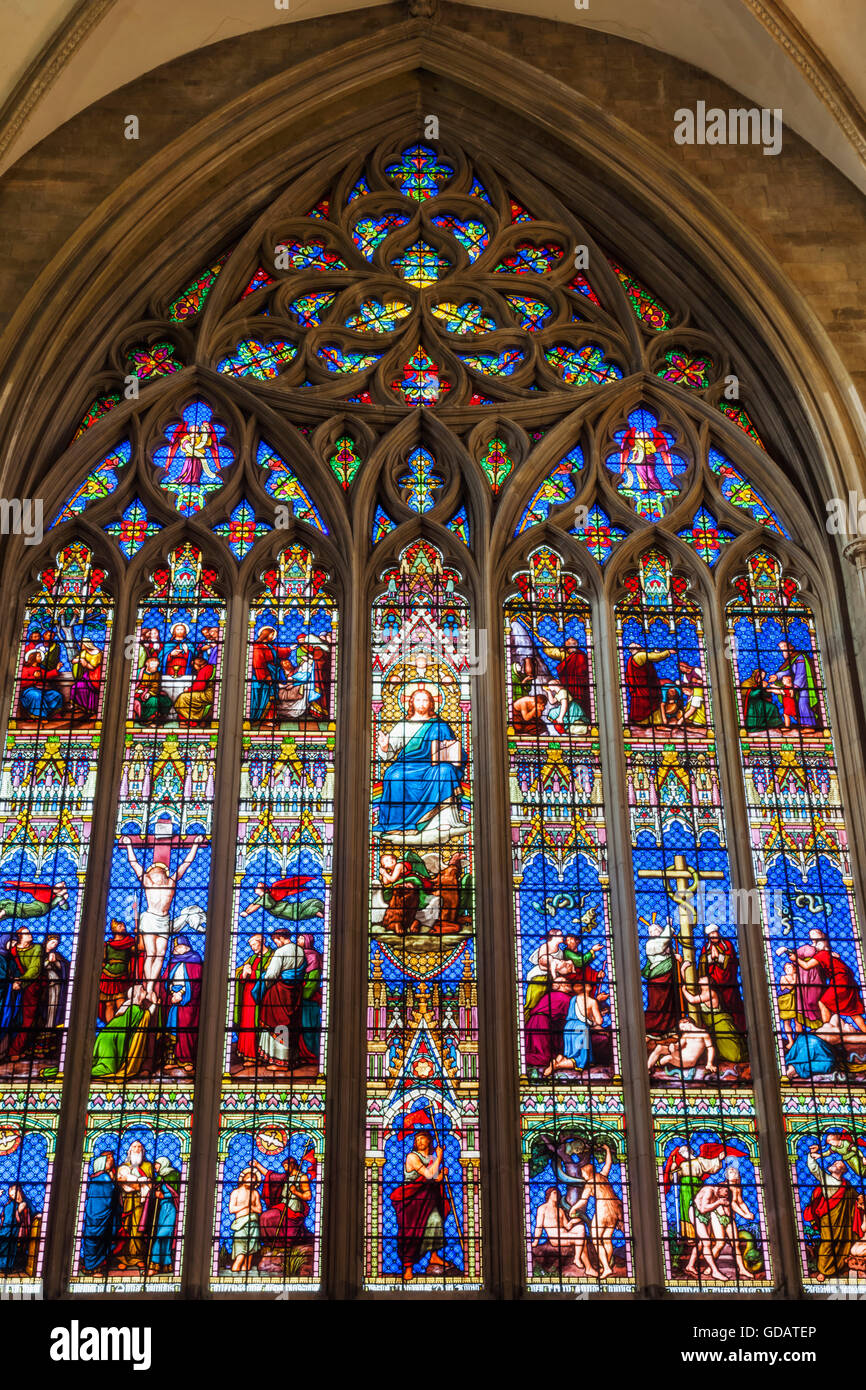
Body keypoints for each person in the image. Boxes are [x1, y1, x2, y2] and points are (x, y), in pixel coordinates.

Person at [375, 687, 465, 840]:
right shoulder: (403, 724)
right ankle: (397, 824)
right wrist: (384, 746)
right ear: (411, 703)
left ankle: (442, 820)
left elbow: (457, 751)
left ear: (431, 704)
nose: (422, 704)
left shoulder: (440, 725)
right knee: (394, 775)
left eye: (425, 700)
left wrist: (451, 751)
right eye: (418, 700)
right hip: (408, 765)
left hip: (433, 766)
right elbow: (389, 752)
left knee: (445, 771)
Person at [120, 834, 204, 995]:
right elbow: (134, 863)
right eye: (154, 871)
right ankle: (147, 988)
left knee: (160, 955)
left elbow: (186, 864)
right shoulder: (148, 882)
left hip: (164, 920)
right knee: (151, 954)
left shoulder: (171, 882)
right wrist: (129, 844)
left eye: (159, 870)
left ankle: (150, 988)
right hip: (150, 918)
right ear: (151, 874)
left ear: (163, 873)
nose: (156, 871)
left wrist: (195, 844)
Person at [390, 1130, 450, 1281]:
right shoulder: (412, 1156)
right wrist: (439, 1158)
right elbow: (428, 1175)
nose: (420, 1141)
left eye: (423, 1138)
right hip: (411, 1200)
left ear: (429, 1141)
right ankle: (408, 1268)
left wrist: (442, 1173)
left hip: (428, 1200)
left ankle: (434, 1257)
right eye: (417, 1139)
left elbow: (435, 1179)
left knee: (436, 1221)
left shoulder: (431, 1158)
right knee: (410, 1232)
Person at [255, 929, 317, 1070]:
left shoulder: (280, 952)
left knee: (276, 1023)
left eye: (276, 940)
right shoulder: (300, 950)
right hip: (295, 992)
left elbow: (271, 974)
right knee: (291, 1024)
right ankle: (292, 1058)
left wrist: (263, 986)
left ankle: (280, 1061)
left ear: (281, 938)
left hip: (279, 992)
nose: (275, 943)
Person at [805, 1145, 866, 1281]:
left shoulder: (847, 1186)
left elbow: (856, 1201)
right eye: (834, 1163)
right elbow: (814, 1168)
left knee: (843, 1242)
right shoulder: (826, 1179)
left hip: (843, 1221)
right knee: (827, 1243)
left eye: (837, 1164)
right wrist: (811, 1154)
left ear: (841, 1170)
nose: (833, 1164)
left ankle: (840, 1267)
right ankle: (824, 1270)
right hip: (828, 1217)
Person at [571, 1145, 623, 1280]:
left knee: (596, 1240)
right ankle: (606, 1265)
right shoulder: (603, 1176)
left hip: (602, 1211)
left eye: (583, 1173)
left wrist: (573, 1208)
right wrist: (607, 1150)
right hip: (614, 1210)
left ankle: (605, 1268)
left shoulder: (589, 1183)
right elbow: (608, 1163)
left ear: (587, 1173)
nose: (582, 1176)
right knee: (607, 1240)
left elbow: (583, 1201)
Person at [91, 983, 156, 1078]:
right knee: (108, 1069)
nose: (145, 991)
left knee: (98, 1063)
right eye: (142, 990)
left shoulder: (128, 1006)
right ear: (137, 994)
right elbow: (146, 1015)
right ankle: (81, 1073)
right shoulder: (134, 1008)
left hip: (108, 1037)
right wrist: (155, 1003)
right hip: (110, 1040)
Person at [163, 936, 202, 1073]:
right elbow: (166, 979)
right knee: (172, 1027)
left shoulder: (195, 962)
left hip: (188, 1002)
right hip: (174, 999)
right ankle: (172, 1059)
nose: (175, 950)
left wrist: (182, 994)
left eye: (177, 947)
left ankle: (186, 1059)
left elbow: (196, 983)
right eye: (174, 948)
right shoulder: (173, 962)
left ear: (186, 947)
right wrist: (171, 992)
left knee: (185, 1029)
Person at [532, 1187, 593, 1273]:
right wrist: (535, 1241)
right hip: (555, 1237)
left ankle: (579, 1260)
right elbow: (539, 1226)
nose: (556, 1195)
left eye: (558, 1193)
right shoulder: (543, 1208)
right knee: (580, 1239)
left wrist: (573, 1221)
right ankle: (577, 1259)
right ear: (548, 1194)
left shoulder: (560, 1210)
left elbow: (566, 1226)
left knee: (581, 1227)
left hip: (564, 1233)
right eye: (554, 1193)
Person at [699, 926, 747, 1035]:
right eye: (710, 935)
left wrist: (719, 957)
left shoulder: (728, 945)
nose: (713, 937)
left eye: (714, 934)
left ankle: (739, 1030)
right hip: (713, 984)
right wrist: (710, 958)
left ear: (718, 934)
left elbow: (732, 961)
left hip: (729, 984)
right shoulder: (706, 947)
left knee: (733, 1006)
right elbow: (702, 963)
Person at [114, 1140, 154, 1270]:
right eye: (134, 1147)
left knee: (137, 1229)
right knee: (126, 1228)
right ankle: (123, 1258)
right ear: (129, 1151)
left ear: (143, 1151)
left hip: (141, 1203)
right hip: (126, 1201)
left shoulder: (148, 1166)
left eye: (139, 1147)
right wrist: (132, 1185)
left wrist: (138, 1185)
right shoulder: (123, 1166)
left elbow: (150, 1184)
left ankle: (137, 1257)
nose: (137, 1149)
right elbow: (119, 1183)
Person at [233, 933, 271, 1065]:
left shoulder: (272, 956)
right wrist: (243, 973)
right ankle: (248, 1054)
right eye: (251, 945)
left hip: (263, 997)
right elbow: (240, 972)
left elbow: (272, 974)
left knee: (258, 1024)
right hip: (248, 997)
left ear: (262, 942)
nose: (253, 947)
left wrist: (252, 973)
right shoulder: (252, 958)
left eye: (254, 944)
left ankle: (260, 1055)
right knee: (247, 1024)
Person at [79, 1153, 119, 1274]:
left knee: (91, 1237)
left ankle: (88, 1264)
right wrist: (114, 1182)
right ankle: (94, 1266)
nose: (110, 1163)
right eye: (108, 1161)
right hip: (102, 1213)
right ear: (102, 1164)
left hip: (92, 1212)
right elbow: (110, 1196)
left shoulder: (94, 1178)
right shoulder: (105, 1178)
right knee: (99, 1239)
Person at [642, 917, 682, 1035]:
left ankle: (672, 1027)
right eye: (653, 930)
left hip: (669, 977)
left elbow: (669, 951)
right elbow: (661, 945)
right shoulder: (651, 944)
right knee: (658, 1006)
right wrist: (669, 926)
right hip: (658, 979)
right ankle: (655, 1027)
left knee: (672, 1003)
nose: (656, 932)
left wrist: (677, 958)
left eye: (658, 930)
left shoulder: (666, 943)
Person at [647, 1017, 716, 1080]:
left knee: (667, 1058)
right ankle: (648, 1069)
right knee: (660, 1047)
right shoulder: (686, 1035)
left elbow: (710, 1048)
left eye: (682, 1027)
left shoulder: (703, 1033)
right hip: (679, 1055)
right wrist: (673, 1046)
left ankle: (657, 1064)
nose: (683, 1029)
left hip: (688, 1060)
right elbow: (678, 1046)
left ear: (687, 1022)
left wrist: (709, 1063)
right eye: (682, 1029)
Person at [774, 639, 821, 729]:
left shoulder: (799, 657)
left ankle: (810, 726)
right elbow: (789, 671)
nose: (783, 651)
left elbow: (801, 673)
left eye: (784, 647)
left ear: (790, 647)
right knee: (799, 705)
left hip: (805, 686)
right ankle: (805, 725)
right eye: (781, 648)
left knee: (803, 703)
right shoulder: (792, 659)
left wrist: (794, 687)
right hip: (798, 687)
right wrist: (777, 676)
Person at [98, 919, 137, 1024]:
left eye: (124, 926)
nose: (123, 928)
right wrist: (106, 966)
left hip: (122, 976)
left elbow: (139, 949)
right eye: (120, 926)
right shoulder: (108, 945)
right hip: (107, 976)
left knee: (121, 1003)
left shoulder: (128, 943)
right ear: (114, 929)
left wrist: (137, 930)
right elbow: (101, 960)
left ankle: (120, 1026)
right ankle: (109, 1027)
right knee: (109, 1004)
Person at [624, 644, 674, 725]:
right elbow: (655, 657)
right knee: (652, 702)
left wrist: (655, 653)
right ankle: (656, 722)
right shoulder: (639, 655)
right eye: (638, 645)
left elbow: (651, 656)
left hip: (642, 686)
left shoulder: (632, 658)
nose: (640, 645)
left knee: (643, 703)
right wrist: (668, 652)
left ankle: (644, 722)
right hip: (645, 686)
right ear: (636, 648)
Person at [148, 1157, 180, 1275]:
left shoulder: (173, 1175)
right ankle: (165, 1264)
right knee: (163, 1237)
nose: (155, 1166)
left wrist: (163, 1195)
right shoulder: (159, 1177)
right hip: (162, 1210)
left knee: (162, 1235)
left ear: (162, 1164)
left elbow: (176, 1194)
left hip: (171, 1209)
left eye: (156, 1164)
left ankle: (154, 1264)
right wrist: (154, 1192)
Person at [229, 1164, 264, 1272]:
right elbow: (231, 1209)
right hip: (240, 1224)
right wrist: (245, 1206)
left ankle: (246, 1270)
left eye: (253, 1180)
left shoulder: (255, 1193)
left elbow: (259, 1209)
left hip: (253, 1224)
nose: (251, 1181)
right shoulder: (236, 1192)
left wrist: (251, 1207)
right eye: (249, 1178)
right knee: (240, 1253)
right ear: (244, 1179)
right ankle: (235, 1274)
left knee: (250, 1252)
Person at [174, 654, 215, 725]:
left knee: (183, 697)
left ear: (198, 665)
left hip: (207, 695)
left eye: (194, 666)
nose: (194, 668)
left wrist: (188, 689)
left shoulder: (204, 670)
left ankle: (188, 720)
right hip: (212, 694)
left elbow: (200, 686)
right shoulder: (210, 667)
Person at [0, 1183, 31, 1272]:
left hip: (14, 1230)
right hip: (7, 1229)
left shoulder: (25, 1202)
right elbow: (6, 1219)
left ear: (20, 1192)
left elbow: (30, 1213)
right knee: (4, 1246)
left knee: (11, 1248)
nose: (15, 1196)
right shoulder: (9, 1205)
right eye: (12, 1195)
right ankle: (4, 1266)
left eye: (16, 1194)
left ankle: (7, 1267)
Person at [68, 639, 102, 720]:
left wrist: (84, 662)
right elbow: (73, 660)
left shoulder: (97, 653)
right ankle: (81, 707)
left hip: (96, 675)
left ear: (86, 644)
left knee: (90, 691)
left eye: (81, 644)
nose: (80, 646)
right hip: (87, 676)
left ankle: (91, 709)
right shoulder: (84, 652)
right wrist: (80, 660)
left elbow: (92, 667)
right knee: (75, 687)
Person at [133, 656, 172, 725]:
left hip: (152, 692)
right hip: (138, 693)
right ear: (147, 664)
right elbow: (134, 685)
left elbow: (155, 686)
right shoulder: (139, 672)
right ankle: (147, 719)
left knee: (166, 700)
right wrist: (140, 691)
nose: (155, 667)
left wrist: (149, 693)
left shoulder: (156, 674)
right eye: (153, 665)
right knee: (153, 700)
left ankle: (160, 717)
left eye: (156, 666)